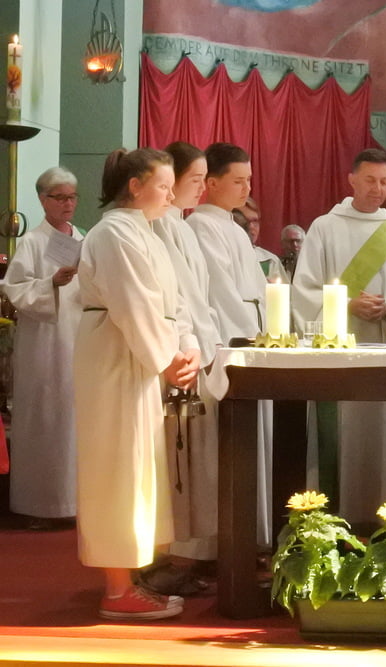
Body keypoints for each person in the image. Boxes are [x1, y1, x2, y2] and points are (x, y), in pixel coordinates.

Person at [75, 147, 200, 620]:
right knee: (116, 467)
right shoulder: (112, 233)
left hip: (139, 357)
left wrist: (187, 346)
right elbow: (132, 304)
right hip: (114, 356)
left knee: (138, 466)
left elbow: (174, 302)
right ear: (134, 186)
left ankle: (128, 579)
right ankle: (116, 590)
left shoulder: (146, 233)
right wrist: (167, 358)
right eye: (163, 186)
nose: (170, 196)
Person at [291, 148, 386, 524]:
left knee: (383, 434)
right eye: (370, 180)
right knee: (341, 434)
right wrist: (347, 304)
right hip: (337, 353)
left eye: (385, 181)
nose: (377, 189)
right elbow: (303, 290)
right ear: (352, 179)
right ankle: (332, 519)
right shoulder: (325, 227)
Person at [186, 142, 272, 546]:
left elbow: (256, 291)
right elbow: (220, 293)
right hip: (226, 344)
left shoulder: (234, 228)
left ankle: (251, 536)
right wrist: (254, 338)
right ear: (212, 183)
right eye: (238, 181)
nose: (246, 188)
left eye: (249, 180)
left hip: (251, 340)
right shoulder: (202, 227)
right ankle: (220, 542)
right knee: (222, 447)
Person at [147, 141, 223, 590]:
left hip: (197, 351)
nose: (202, 187)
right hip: (176, 358)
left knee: (194, 462)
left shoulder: (182, 226)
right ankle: (168, 559)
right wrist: (185, 347)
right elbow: (170, 300)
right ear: (171, 181)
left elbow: (199, 296)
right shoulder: (159, 227)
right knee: (175, 463)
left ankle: (189, 555)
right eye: (195, 178)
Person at [4, 167, 84, 529]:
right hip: (43, 344)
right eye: (60, 197)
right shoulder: (33, 242)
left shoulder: (82, 238)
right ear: (42, 199)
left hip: (78, 338)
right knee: (45, 419)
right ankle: (40, 506)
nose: (68, 204)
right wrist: (50, 283)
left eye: (72, 197)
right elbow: (15, 289)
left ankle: (74, 502)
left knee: (74, 421)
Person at [235, 197, 289, 283]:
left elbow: (285, 290)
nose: (251, 226)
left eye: (255, 221)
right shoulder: (222, 256)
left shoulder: (270, 261)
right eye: (244, 221)